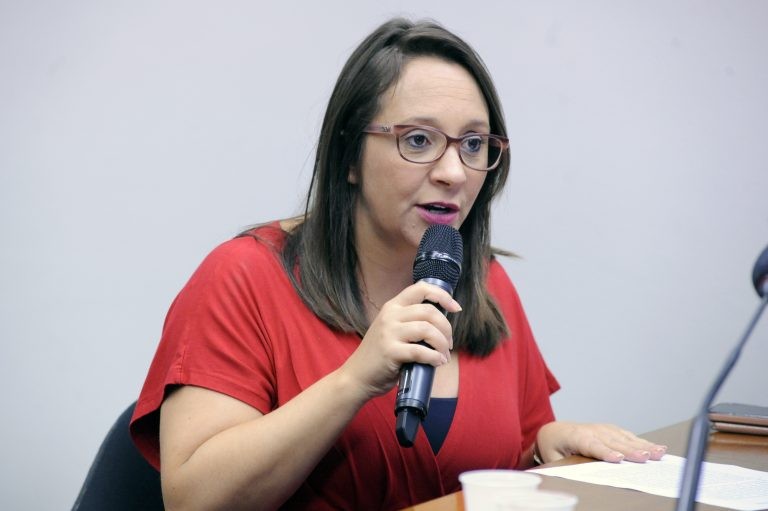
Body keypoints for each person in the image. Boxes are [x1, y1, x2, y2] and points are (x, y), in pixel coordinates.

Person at [130, 17, 666, 511]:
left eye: (474, 144)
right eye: (417, 140)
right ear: (349, 158)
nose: (454, 172)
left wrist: (546, 444)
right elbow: (194, 500)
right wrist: (355, 380)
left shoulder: (486, 283)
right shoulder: (243, 277)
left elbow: (506, 456)